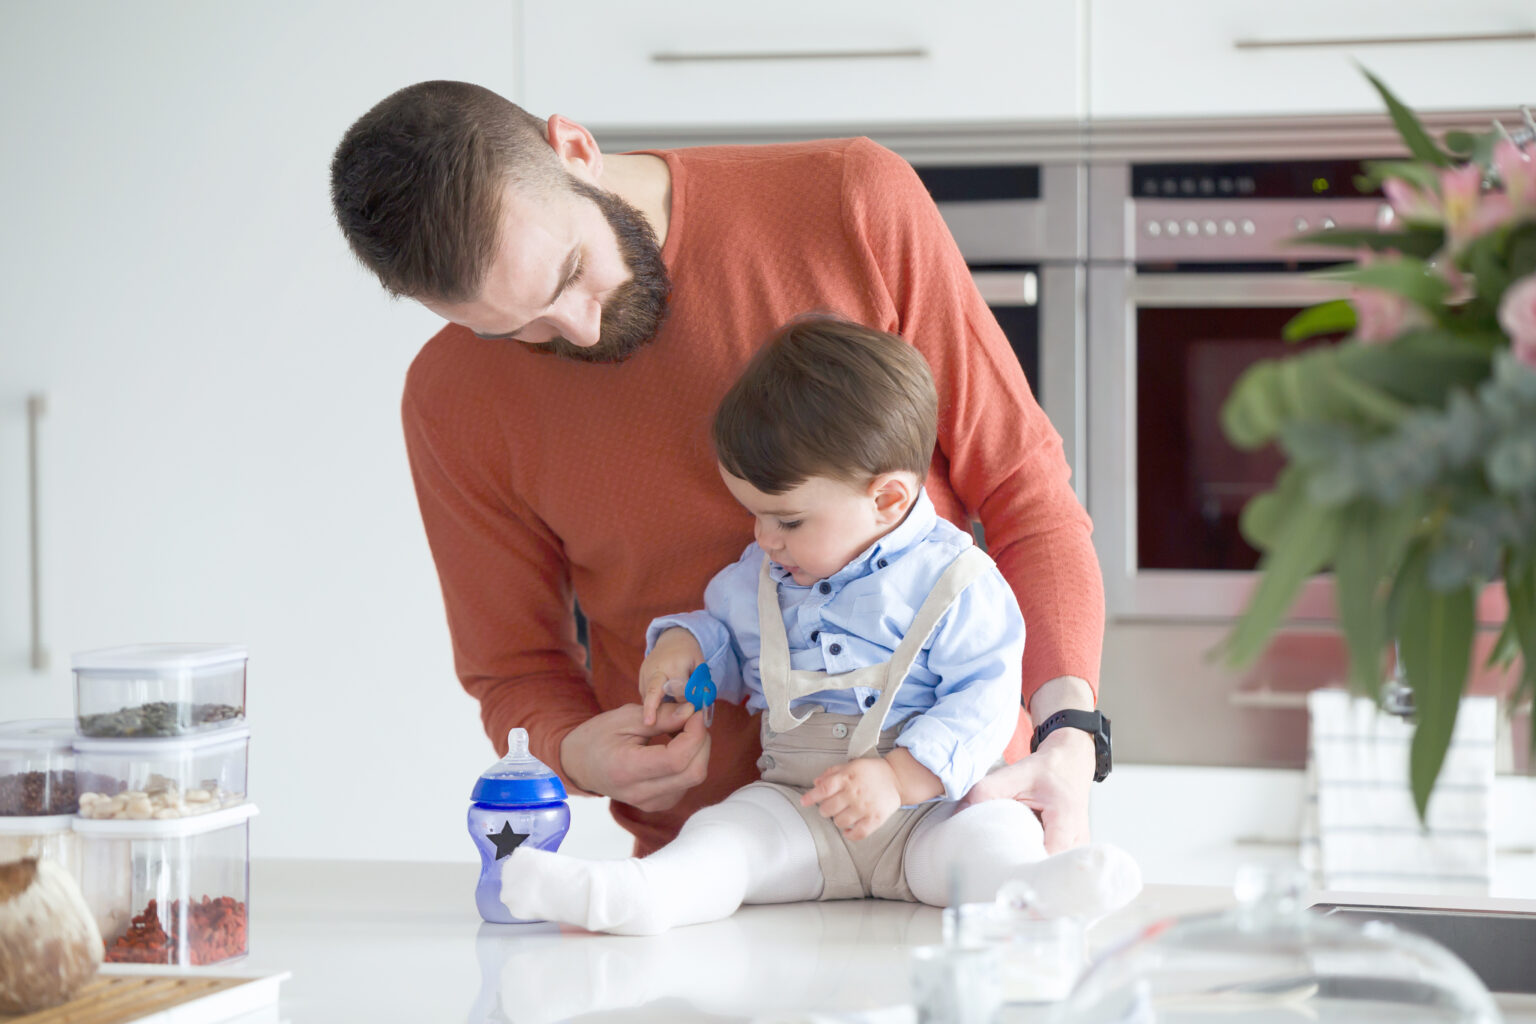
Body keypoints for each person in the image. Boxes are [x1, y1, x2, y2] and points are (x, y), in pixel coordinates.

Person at [329, 80, 1108, 858]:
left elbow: (1024, 495)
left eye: (570, 272)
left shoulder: (848, 202)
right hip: (713, 862)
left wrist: (1070, 733)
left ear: (575, 149)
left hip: (953, 818)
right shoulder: (452, 398)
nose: (580, 330)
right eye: (514, 329)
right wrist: (577, 754)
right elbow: (514, 670)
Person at [500, 317, 1139, 934]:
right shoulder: (759, 578)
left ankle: (1037, 891)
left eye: (787, 520)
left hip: (933, 812)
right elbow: (727, 643)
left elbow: (985, 699)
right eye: (753, 514)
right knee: (723, 837)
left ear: (887, 499)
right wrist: (683, 646)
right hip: (798, 807)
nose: (763, 538)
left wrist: (899, 777)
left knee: (994, 836)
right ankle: (640, 894)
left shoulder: (960, 582)